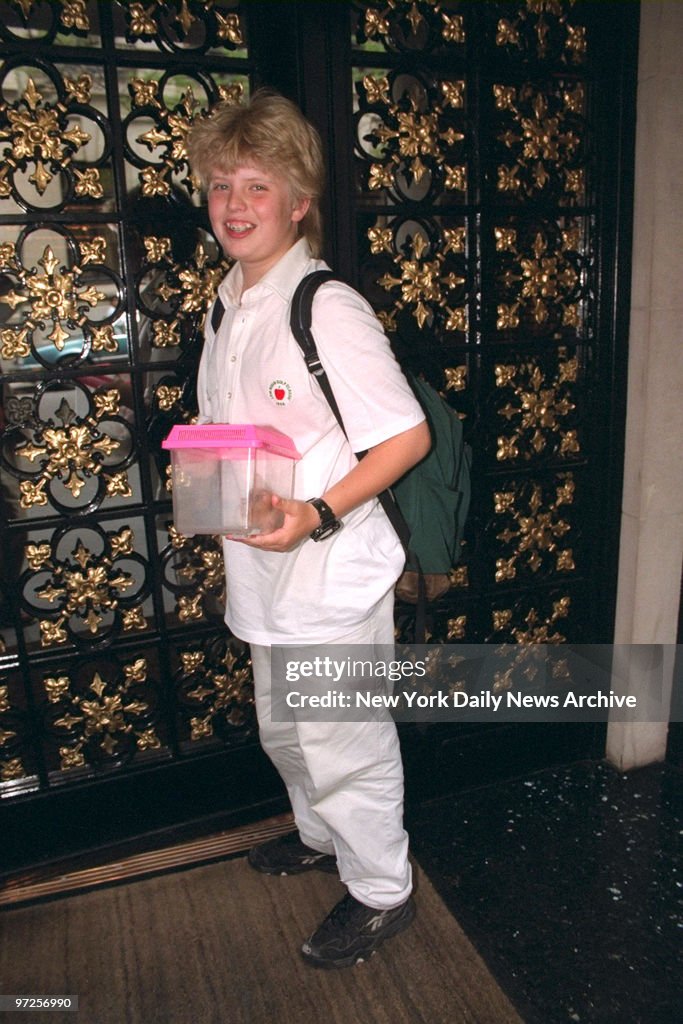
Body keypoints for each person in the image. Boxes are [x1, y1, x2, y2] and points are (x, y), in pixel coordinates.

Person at [186, 90, 431, 969]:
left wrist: (319, 512)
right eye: (221, 185)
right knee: (285, 733)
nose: (236, 204)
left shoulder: (323, 306)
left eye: (259, 185)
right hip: (262, 574)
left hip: (329, 573)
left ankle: (380, 891)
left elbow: (407, 437)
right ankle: (322, 837)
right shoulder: (225, 302)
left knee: (344, 743)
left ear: (299, 203)